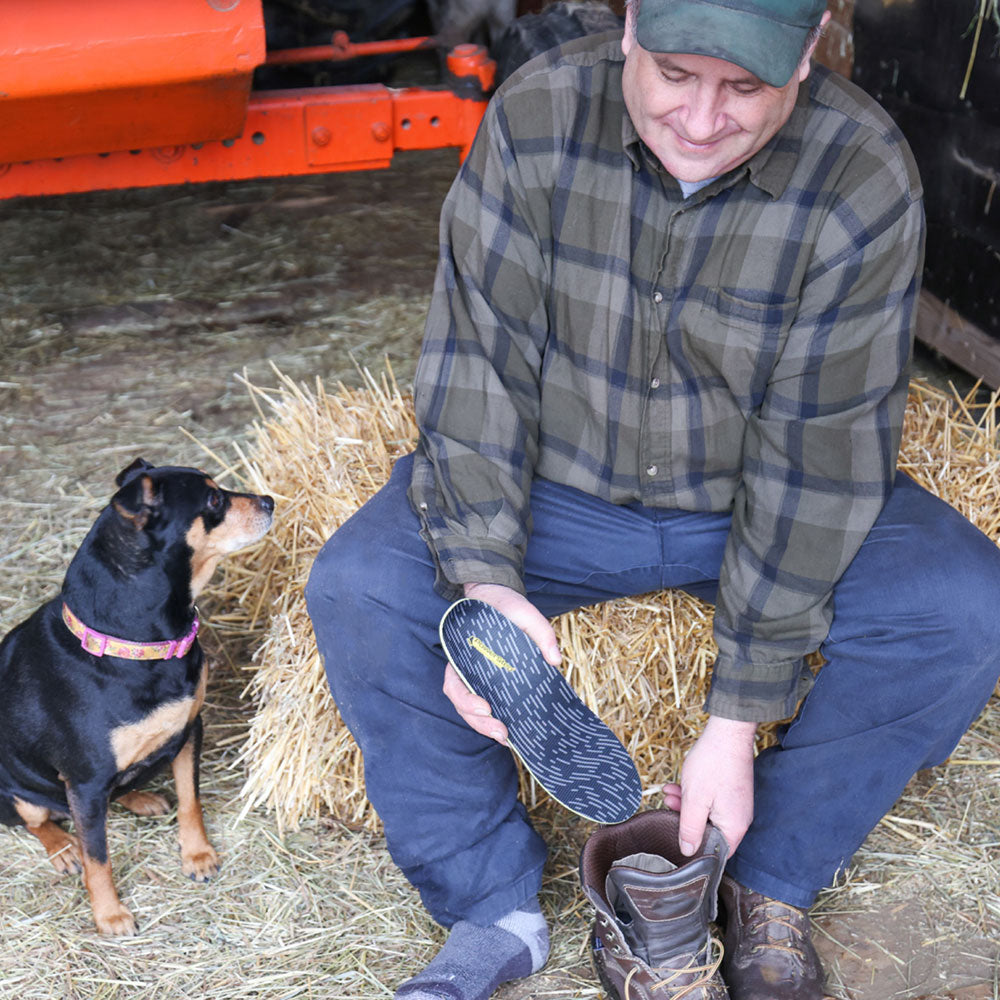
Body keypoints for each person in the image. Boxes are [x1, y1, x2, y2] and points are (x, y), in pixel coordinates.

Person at [305, 1, 1000, 997]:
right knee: (362, 588)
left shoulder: (861, 169)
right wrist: (482, 582)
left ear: (807, 57)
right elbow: (476, 371)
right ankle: (490, 903)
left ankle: (765, 880)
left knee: (960, 605)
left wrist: (735, 719)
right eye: (677, 73)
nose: (705, 117)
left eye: (746, 87)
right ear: (628, 26)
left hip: (754, 495)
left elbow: (820, 452)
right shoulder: (535, 115)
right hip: (563, 489)